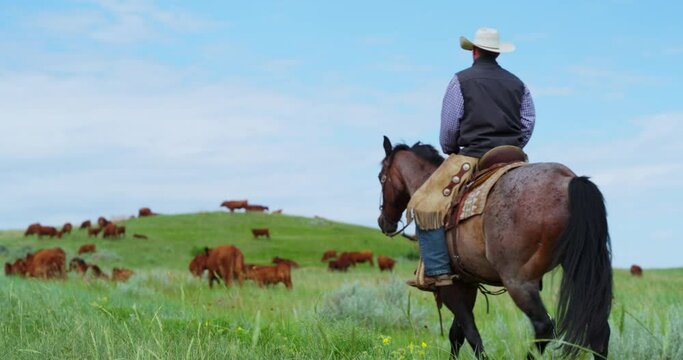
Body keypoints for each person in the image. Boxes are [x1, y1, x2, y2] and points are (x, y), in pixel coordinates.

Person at [407, 27, 536, 290]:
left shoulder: (460, 81)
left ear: (474, 52)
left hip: (473, 154)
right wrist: (514, 144)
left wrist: (450, 147)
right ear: (497, 53)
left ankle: (438, 271)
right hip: (512, 156)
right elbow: (528, 122)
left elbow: (449, 127)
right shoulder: (518, 84)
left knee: (424, 206)